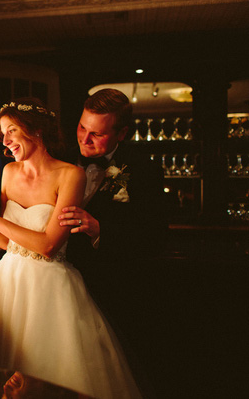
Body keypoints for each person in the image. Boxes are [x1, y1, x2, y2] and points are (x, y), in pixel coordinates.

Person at [0, 98, 142, 399]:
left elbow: (48, 246)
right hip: (7, 284)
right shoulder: (9, 172)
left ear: (35, 130)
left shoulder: (70, 174)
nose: (5, 141)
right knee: (4, 380)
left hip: (50, 289)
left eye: (11, 131)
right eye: (2, 135)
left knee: (51, 376)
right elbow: (10, 242)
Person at [57, 89, 166, 360]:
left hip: (114, 290)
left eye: (98, 134)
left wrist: (99, 229)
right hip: (59, 286)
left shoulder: (143, 169)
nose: (85, 138)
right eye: (82, 127)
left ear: (122, 134)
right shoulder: (59, 159)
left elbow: (155, 236)